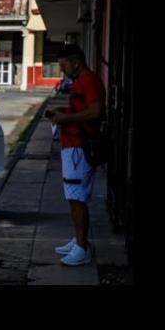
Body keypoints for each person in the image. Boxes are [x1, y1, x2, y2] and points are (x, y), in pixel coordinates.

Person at [49, 44, 105, 266]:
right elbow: (84, 109)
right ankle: (79, 240)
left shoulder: (89, 81)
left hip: (79, 147)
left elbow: (96, 112)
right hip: (72, 146)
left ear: (76, 62)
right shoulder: (80, 82)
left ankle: (82, 248)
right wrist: (65, 113)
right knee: (73, 197)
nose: (62, 70)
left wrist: (66, 119)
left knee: (77, 198)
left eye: (64, 65)